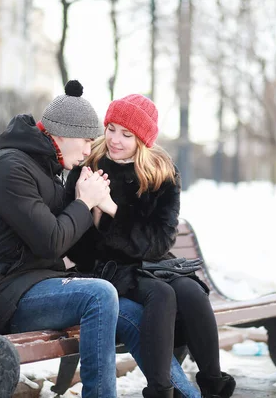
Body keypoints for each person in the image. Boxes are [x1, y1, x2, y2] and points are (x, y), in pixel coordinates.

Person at [0, 80, 131, 398]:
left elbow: (65, 241)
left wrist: (94, 209)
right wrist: (83, 203)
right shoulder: (10, 167)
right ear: (61, 133)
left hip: (30, 285)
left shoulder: (47, 170)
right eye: (85, 140)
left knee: (132, 306)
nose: (87, 149)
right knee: (99, 296)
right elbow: (51, 242)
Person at [65, 94, 236, 398]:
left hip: (151, 262)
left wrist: (113, 209)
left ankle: (214, 386)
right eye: (112, 128)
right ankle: (161, 391)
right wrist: (89, 207)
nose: (115, 140)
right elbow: (77, 249)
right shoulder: (88, 168)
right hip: (106, 269)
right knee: (162, 293)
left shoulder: (161, 172)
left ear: (143, 139)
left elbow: (160, 241)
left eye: (126, 134)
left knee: (193, 292)